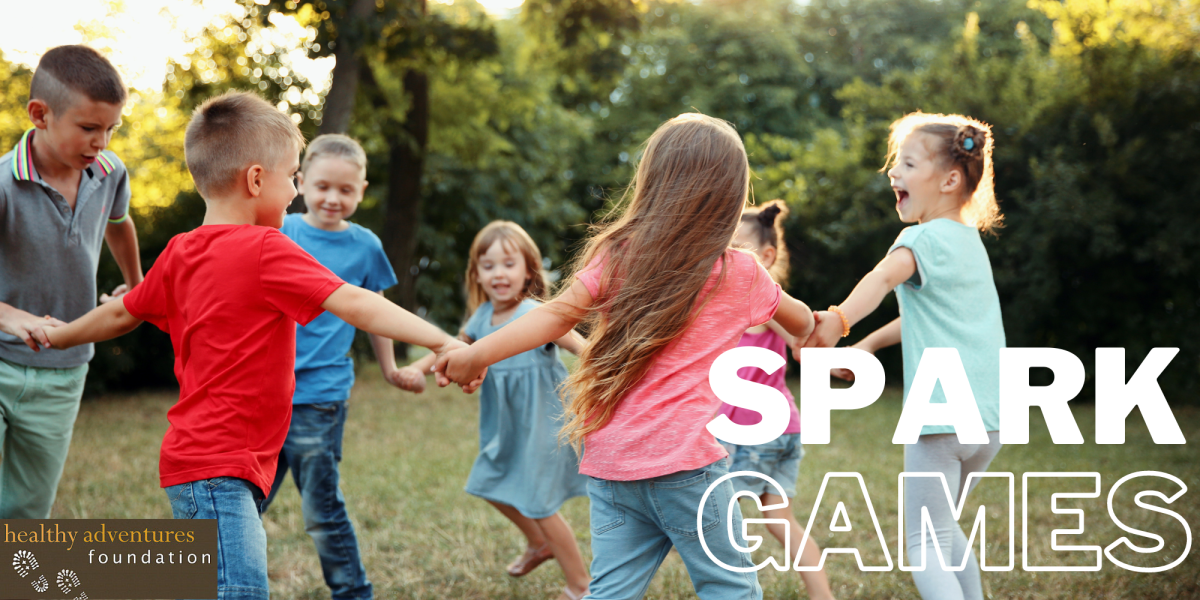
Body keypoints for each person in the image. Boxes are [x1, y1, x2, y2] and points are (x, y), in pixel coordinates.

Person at [38, 91, 479, 600]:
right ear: (254, 180)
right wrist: (444, 339)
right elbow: (355, 302)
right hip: (218, 467)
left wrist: (58, 333)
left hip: (200, 461)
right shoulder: (268, 248)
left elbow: (120, 312)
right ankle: (42, 571)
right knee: (239, 590)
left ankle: (46, 572)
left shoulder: (181, 251)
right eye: (292, 176)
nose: (294, 192)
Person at [435, 113, 816, 600]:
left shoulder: (618, 251)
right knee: (731, 586)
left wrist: (477, 354)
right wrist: (835, 323)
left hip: (612, 465)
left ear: (654, 182)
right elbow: (803, 323)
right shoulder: (739, 272)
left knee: (610, 592)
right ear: (730, 196)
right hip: (689, 469)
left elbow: (555, 316)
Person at [803, 111, 1005, 600]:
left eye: (908, 164)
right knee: (943, 527)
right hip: (990, 420)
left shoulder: (917, 238)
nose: (893, 173)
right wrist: (869, 344)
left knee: (923, 540)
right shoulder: (968, 242)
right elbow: (933, 314)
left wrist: (840, 320)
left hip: (940, 416)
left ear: (950, 180)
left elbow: (881, 279)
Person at [259, 133, 407, 600]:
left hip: (320, 397)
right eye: (323, 186)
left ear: (361, 191)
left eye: (346, 190)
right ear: (301, 183)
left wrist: (388, 368)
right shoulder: (279, 231)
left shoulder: (366, 247)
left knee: (321, 509)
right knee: (242, 505)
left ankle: (353, 593)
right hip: (262, 395)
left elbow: (375, 312)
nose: (332, 198)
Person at [410, 221, 590, 600]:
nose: (498, 274)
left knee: (539, 504)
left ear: (528, 269)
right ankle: (538, 544)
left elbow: (581, 346)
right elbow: (448, 347)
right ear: (476, 273)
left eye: (508, 264)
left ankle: (580, 587)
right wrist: (414, 368)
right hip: (505, 427)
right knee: (487, 482)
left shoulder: (536, 312)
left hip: (544, 424)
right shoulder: (481, 318)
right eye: (487, 266)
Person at [0, 45, 143, 518]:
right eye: (88, 128)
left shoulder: (109, 172)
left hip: (64, 371)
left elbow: (119, 223)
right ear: (40, 115)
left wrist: (135, 283)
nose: (101, 142)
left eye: (110, 129)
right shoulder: (3, 185)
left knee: (27, 508)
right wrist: (14, 317)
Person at [718, 200, 835, 600]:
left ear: (766, 258)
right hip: (785, 427)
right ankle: (823, 595)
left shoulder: (758, 300)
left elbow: (799, 341)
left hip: (750, 433)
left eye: (737, 248)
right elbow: (803, 342)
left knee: (710, 515)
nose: (727, 258)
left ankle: (731, 590)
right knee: (779, 519)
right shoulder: (759, 303)